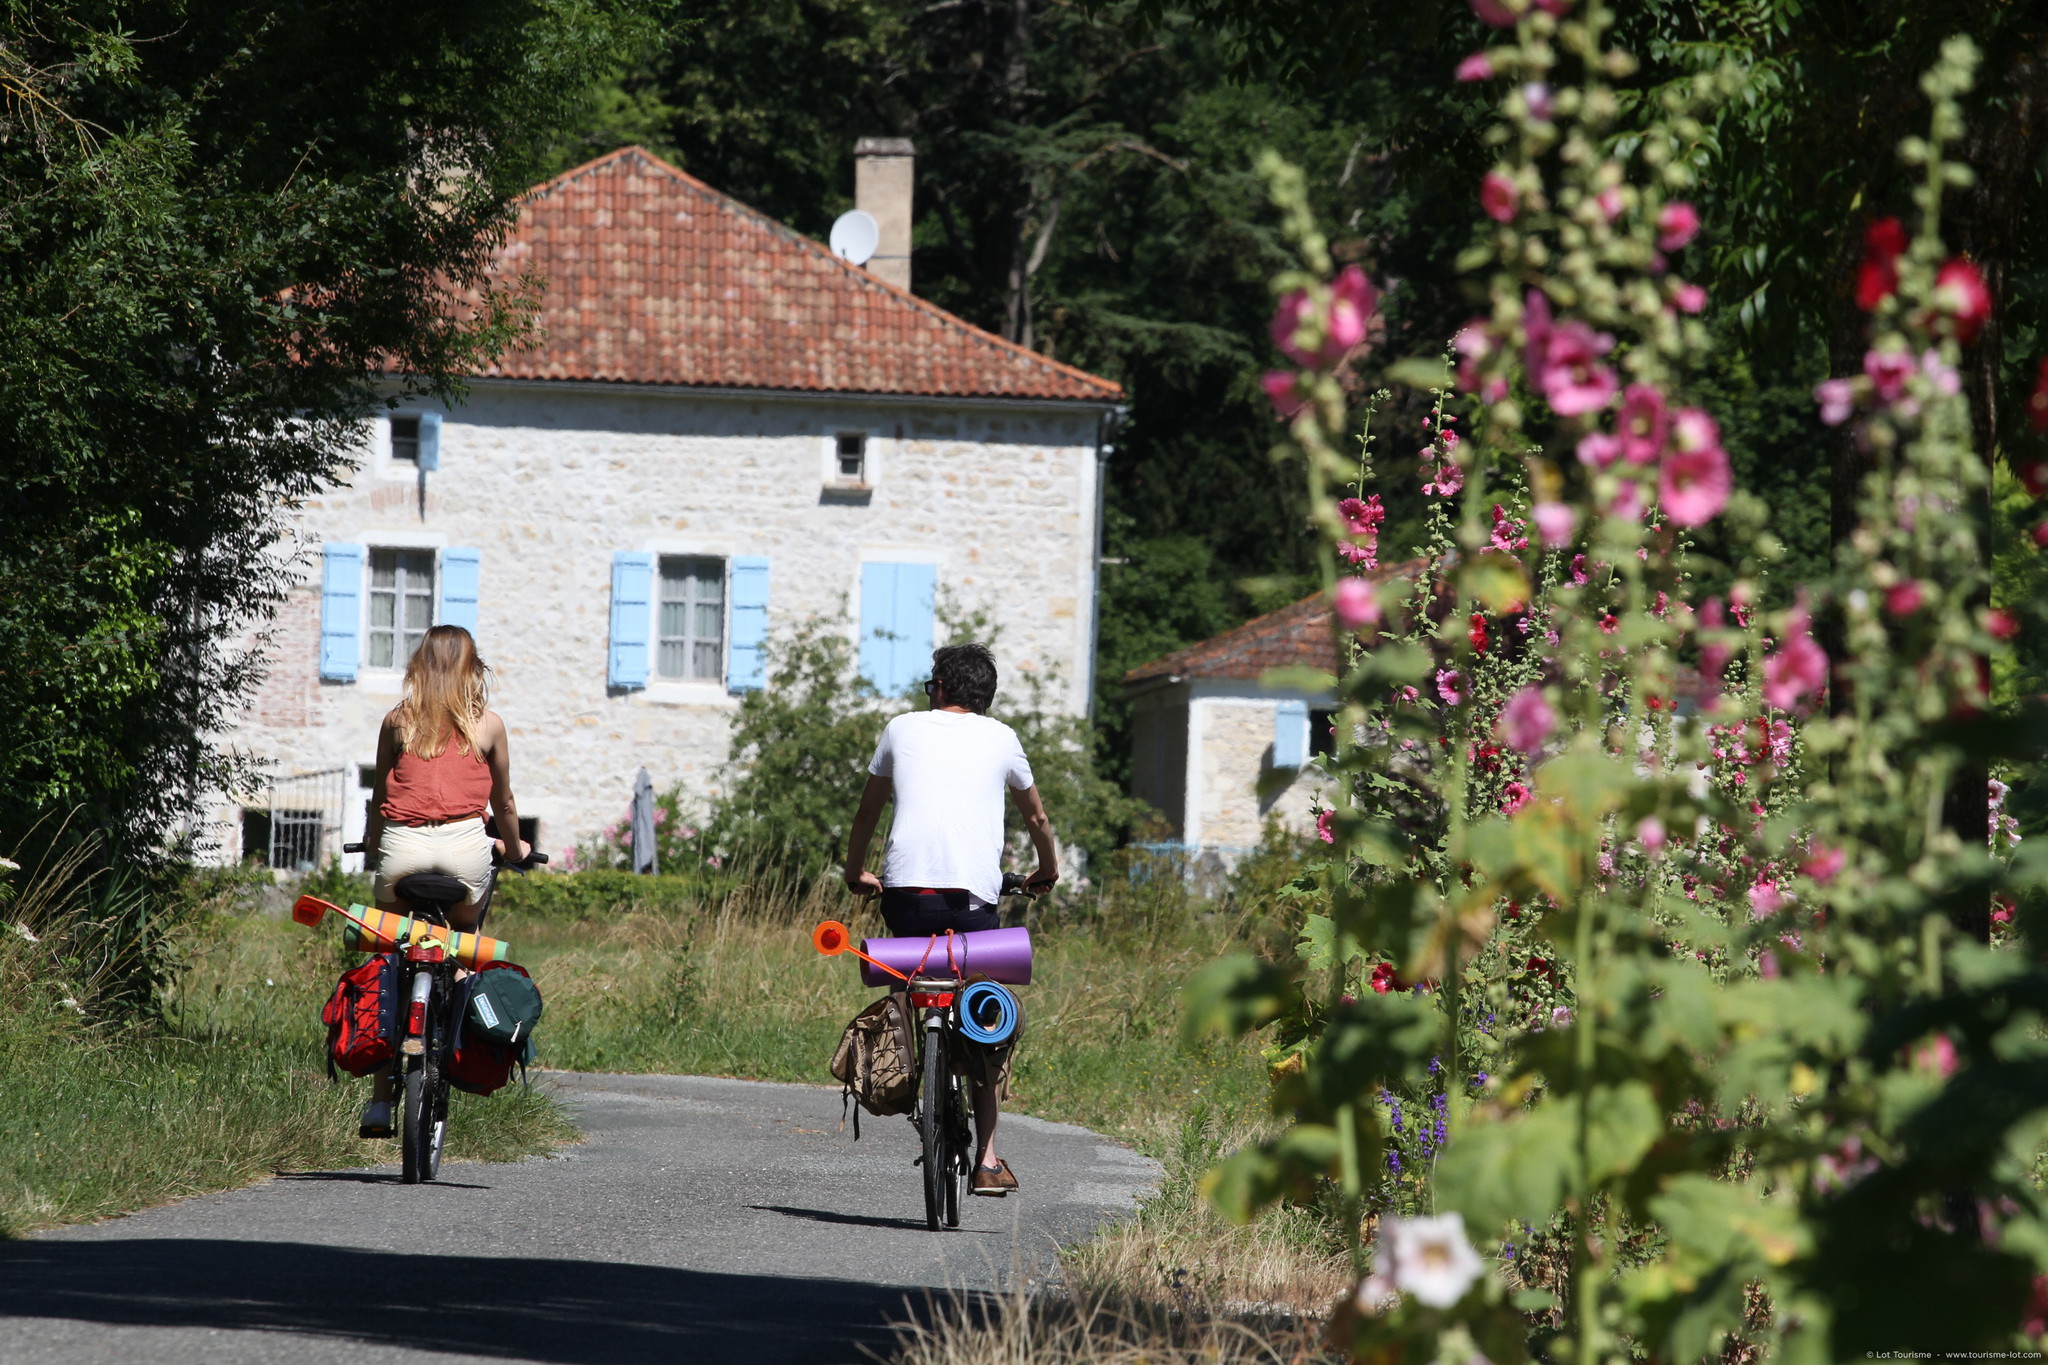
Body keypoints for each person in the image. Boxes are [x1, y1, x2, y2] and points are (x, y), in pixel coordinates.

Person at [843, 642, 1057, 1196]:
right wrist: (1047, 870)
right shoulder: (1003, 738)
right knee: (984, 1013)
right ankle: (987, 1158)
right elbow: (1035, 814)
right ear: (983, 695)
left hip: (904, 896)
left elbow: (869, 810)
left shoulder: (900, 728)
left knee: (912, 985)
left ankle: (909, 1061)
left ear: (939, 686)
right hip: (972, 905)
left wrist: (855, 870)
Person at [357, 624, 527, 1138]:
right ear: (471, 670)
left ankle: (382, 1102)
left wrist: (371, 846)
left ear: (419, 667)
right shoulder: (489, 726)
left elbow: (380, 797)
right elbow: (503, 803)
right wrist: (513, 847)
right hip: (463, 849)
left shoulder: (395, 722)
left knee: (389, 953)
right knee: (464, 943)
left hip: (401, 850)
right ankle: (455, 1030)